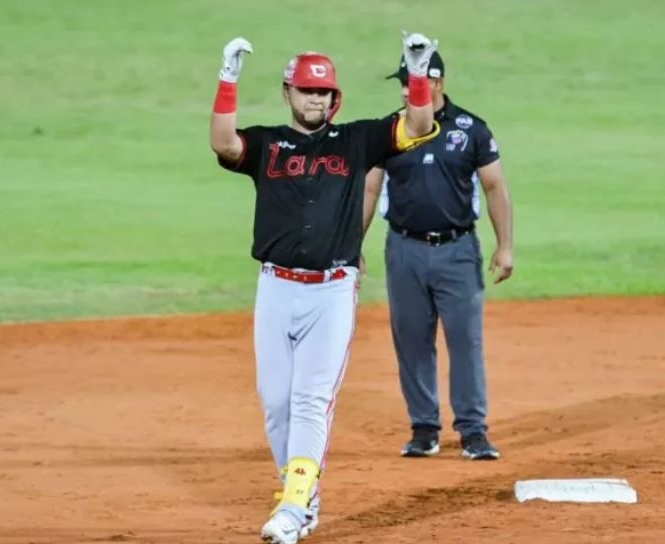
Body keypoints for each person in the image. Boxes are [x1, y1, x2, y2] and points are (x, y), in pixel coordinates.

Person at [210, 32, 439, 544]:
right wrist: (227, 79)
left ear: (336, 99)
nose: (316, 99)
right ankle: (302, 497)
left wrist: (417, 73)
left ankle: (291, 509)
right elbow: (224, 144)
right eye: (306, 91)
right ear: (287, 93)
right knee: (275, 402)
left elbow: (420, 125)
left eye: (324, 92)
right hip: (275, 289)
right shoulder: (268, 144)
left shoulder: (357, 140)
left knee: (311, 400)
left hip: (332, 290)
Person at [363, 49, 514, 462]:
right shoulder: (388, 131)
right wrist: (350, 247)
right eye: (404, 82)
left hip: (458, 251)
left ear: (437, 82)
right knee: (411, 341)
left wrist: (504, 246)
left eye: (415, 80)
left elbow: (495, 187)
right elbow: (370, 189)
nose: (407, 89)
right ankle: (424, 428)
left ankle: (473, 431)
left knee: (465, 341)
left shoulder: (471, 129)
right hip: (404, 250)